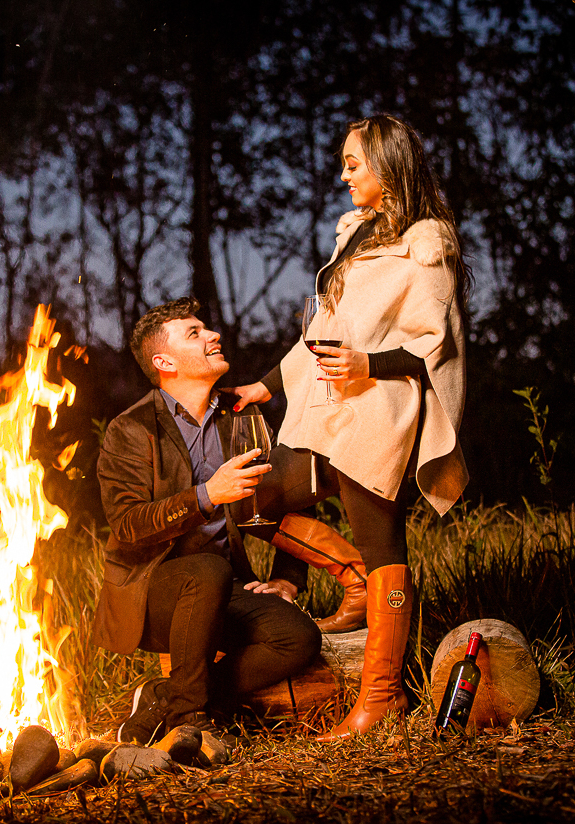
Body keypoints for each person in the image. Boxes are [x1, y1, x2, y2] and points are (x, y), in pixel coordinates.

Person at [232, 113, 471, 741]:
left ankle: (381, 698)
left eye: (354, 163)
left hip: (378, 410)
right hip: (322, 408)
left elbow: (434, 344)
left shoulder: (427, 245)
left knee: (382, 541)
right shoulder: (355, 236)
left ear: (389, 167)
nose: (343, 175)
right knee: (255, 491)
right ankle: (352, 581)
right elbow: (319, 331)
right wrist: (265, 384)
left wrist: (369, 362)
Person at [94, 297, 364, 745]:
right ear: (164, 361)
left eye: (207, 328)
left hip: (226, 588)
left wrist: (289, 578)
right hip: (155, 595)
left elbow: (285, 495)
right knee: (206, 569)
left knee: (297, 637)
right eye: (194, 333)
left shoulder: (237, 416)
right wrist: (205, 496)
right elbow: (126, 525)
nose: (212, 335)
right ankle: (191, 721)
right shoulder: (133, 428)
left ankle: (167, 700)